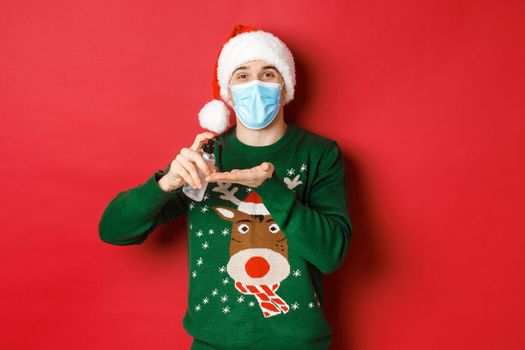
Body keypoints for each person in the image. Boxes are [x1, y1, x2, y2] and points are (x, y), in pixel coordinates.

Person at [99, 24, 353, 350]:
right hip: (214, 343)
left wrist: (270, 187)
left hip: (297, 343)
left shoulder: (319, 154)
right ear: (228, 91)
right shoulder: (206, 156)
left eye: (268, 74)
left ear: (285, 85)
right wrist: (166, 184)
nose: (256, 84)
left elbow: (331, 254)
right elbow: (113, 230)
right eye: (243, 75)